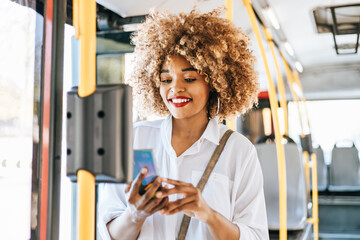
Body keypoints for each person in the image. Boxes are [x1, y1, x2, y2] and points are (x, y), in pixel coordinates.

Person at [98, 8, 268, 240]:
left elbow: (256, 236)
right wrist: (135, 214)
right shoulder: (134, 138)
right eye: (166, 79)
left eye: (190, 78)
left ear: (215, 83)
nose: (175, 88)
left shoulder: (239, 150)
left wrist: (208, 214)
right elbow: (108, 234)